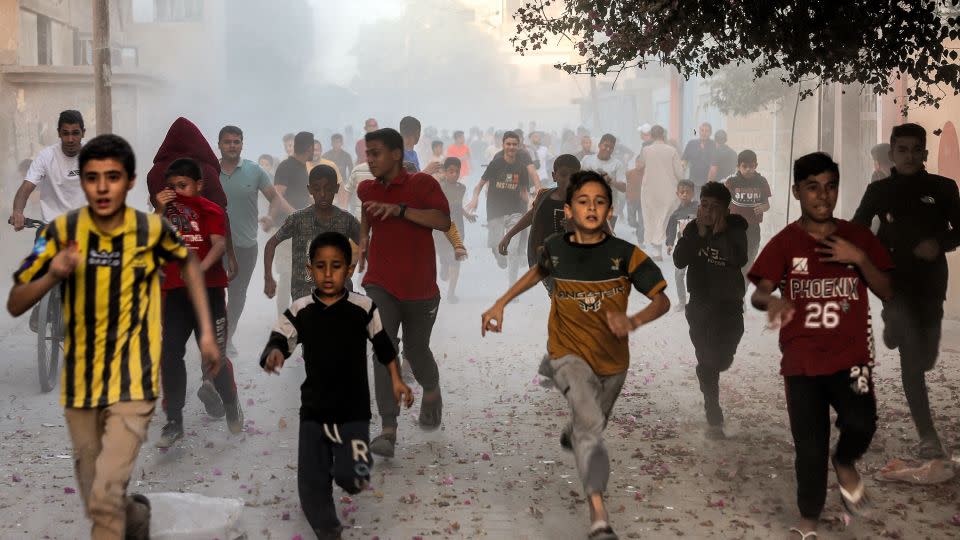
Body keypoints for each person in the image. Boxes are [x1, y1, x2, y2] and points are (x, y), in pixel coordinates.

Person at [7, 134, 221, 540]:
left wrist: (207, 336)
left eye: (113, 177)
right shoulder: (60, 234)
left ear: (129, 181)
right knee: (95, 489)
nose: (103, 188)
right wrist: (54, 272)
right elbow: (18, 300)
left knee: (105, 497)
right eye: (92, 178)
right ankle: (136, 517)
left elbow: (190, 267)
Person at [481, 171, 670, 540]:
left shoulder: (626, 255)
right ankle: (598, 514)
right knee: (591, 432)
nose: (591, 208)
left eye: (600, 201)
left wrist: (634, 320)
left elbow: (661, 300)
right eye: (583, 201)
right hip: (567, 353)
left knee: (591, 422)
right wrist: (500, 303)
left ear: (609, 210)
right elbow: (538, 273)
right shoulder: (555, 247)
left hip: (613, 364)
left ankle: (575, 424)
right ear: (568, 210)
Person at [750, 152, 893, 539]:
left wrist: (859, 258)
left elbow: (887, 289)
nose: (823, 196)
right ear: (797, 191)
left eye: (830, 186)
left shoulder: (857, 237)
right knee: (809, 448)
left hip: (853, 360)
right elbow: (759, 294)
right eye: (812, 187)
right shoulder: (783, 243)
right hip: (802, 363)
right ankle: (808, 522)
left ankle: (845, 462)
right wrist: (773, 300)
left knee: (863, 422)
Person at [259, 231, 413, 540]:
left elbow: (384, 347)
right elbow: (281, 337)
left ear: (349, 269)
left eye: (336, 266)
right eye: (320, 266)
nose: (328, 274)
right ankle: (328, 529)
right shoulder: (301, 309)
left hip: (352, 411)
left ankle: (349, 467)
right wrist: (274, 353)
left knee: (350, 476)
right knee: (312, 483)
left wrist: (396, 380)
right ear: (309, 270)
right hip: (314, 410)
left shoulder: (364, 308)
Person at [852, 123, 960, 459]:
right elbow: (858, 229)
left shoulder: (943, 188)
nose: (909, 156)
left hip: (930, 283)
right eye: (902, 150)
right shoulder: (879, 191)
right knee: (912, 363)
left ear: (925, 154)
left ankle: (896, 328)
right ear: (892, 154)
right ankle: (928, 435)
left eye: (916, 150)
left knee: (926, 357)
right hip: (893, 282)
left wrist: (938, 242)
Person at [356, 127, 451, 458]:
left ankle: (432, 389)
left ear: (397, 154)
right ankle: (388, 429)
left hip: (421, 288)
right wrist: (363, 242)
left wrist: (401, 211)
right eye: (368, 153)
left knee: (416, 350)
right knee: (383, 348)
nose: (370, 159)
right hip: (380, 281)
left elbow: (441, 220)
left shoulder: (423, 184)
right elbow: (367, 213)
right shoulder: (366, 187)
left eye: (376, 153)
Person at [153, 158, 243, 447]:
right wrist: (158, 208)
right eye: (171, 187)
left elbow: (217, 244)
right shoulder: (166, 212)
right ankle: (174, 420)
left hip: (211, 293)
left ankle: (230, 403)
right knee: (170, 354)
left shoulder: (211, 210)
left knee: (213, 357)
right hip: (178, 294)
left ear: (199, 185)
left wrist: (199, 270)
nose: (177, 191)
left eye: (183, 185)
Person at [672, 182, 747, 439]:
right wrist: (699, 235)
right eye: (704, 205)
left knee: (722, 359)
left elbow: (738, 259)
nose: (708, 211)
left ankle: (710, 373)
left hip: (729, 305)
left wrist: (720, 233)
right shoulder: (693, 229)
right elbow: (679, 260)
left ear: (726, 210)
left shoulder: (736, 229)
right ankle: (712, 409)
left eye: (715, 208)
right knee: (707, 360)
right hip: (701, 304)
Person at [218, 125, 294, 356]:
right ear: (219, 144)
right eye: (227, 141)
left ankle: (227, 339)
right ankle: (215, 336)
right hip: (214, 245)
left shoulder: (254, 171)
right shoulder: (209, 170)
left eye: (236, 141)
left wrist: (271, 216)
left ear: (242, 144)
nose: (232, 145)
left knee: (238, 293)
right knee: (214, 293)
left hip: (245, 245)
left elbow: (275, 198)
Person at [265, 165, 361, 302]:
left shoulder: (346, 220)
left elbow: (367, 246)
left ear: (336, 189)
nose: (322, 194)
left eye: (328, 189)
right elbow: (271, 244)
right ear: (310, 189)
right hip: (304, 295)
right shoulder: (298, 219)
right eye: (317, 189)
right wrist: (268, 277)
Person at [498, 153, 581, 294]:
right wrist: (509, 235)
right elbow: (532, 215)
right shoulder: (544, 197)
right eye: (563, 175)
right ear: (554, 176)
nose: (569, 180)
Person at [465, 131, 531, 283]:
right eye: (508, 144)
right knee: (496, 247)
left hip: (516, 212)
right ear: (503, 145)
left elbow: (523, 192)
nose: (511, 147)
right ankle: (499, 256)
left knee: (513, 250)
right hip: (495, 212)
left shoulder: (521, 168)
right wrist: (475, 199)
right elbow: (479, 185)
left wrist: (531, 202)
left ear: (518, 146)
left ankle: (512, 286)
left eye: (514, 144)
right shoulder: (495, 164)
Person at [10, 110, 86, 229]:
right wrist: (17, 212)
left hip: (87, 228)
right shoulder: (45, 156)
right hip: (51, 228)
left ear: (83, 133)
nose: (70, 139)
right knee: (40, 248)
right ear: (59, 133)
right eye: (65, 133)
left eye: (75, 133)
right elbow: (25, 188)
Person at [270, 131, 315, 315]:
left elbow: (299, 196)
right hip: (285, 228)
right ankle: (283, 316)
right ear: (309, 148)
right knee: (287, 275)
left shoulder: (303, 167)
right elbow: (277, 195)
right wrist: (296, 214)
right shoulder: (286, 166)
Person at [724, 150, 772, 281]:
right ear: (738, 166)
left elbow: (767, 205)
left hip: (753, 227)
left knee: (750, 259)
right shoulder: (732, 182)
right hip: (735, 227)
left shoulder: (761, 181)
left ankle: (742, 290)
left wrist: (763, 207)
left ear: (756, 165)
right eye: (745, 166)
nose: (748, 169)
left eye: (752, 166)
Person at [639, 125, 684, 260]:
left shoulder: (646, 150)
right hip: (669, 189)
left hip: (649, 189)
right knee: (665, 217)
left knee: (652, 217)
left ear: (652, 136)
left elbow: (641, 165)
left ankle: (656, 250)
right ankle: (662, 246)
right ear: (664, 135)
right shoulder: (672, 150)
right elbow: (679, 173)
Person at [434, 157, 470, 302]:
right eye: (451, 171)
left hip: (458, 229)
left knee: (456, 260)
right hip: (440, 230)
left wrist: (467, 214)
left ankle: (451, 293)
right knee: (446, 259)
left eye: (457, 171)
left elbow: (457, 206)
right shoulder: (438, 187)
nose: (454, 174)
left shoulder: (462, 188)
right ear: (445, 172)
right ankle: (443, 263)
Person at [581, 134, 628, 226]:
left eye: (611, 147)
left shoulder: (617, 164)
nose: (608, 149)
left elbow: (624, 187)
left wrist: (610, 180)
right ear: (599, 145)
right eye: (606, 146)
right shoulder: (587, 160)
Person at [665, 180, 698, 311]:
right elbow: (671, 231)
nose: (685, 195)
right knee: (679, 275)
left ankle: (696, 300)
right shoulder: (675, 214)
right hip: (682, 248)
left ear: (693, 194)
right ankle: (682, 301)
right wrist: (669, 244)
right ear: (677, 194)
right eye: (682, 192)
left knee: (696, 275)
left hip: (698, 248)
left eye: (687, 192)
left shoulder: (699, 209)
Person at [681, 122, 716, 188]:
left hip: (708, 182)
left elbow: (714, 166)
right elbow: (684, 160)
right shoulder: (691, 144)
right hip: (693, 181)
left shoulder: (713, 145)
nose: (704, 133)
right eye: (702, 130)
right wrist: (682, 169)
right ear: (699, 132)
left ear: (710, 133)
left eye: (706, 131)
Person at [625, 154, 645, 245]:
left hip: (643, 201)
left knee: (642, 222)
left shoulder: (647, 175)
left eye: (641, 162)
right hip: (631, 200)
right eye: (637, 162)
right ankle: (637, 228)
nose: (638, 164)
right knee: (631, 221)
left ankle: (640, 241)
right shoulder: (629, 173)